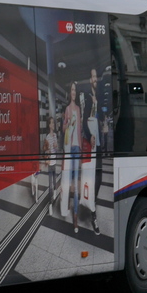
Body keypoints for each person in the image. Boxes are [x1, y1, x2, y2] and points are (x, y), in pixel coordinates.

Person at [63, 81, 82, 233]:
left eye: (75, 90)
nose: (73, 92)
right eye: (72, 90)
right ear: (70, 93)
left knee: (75, 183)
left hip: (77, 148)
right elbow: (63, 129)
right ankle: (68, 203)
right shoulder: (68, 109)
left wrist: (81, 148)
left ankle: (75, 216)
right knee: (69, 180)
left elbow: (80, 130)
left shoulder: (78, 109)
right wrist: (68, 123)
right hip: (69, 149)